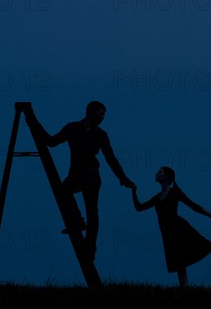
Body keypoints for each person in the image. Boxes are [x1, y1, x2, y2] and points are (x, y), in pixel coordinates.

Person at [25, 100, 135, 261]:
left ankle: (90, 248)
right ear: (90, 112)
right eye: (100, 113)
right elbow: (51, 141)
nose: (103, 117)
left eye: (104, 115)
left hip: (91, 177)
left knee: (92, 212)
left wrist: (123, 178)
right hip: (76, 175)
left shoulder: (101, 135)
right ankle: (77, 221)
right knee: (62, 191)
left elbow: (111, 159)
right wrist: (34, 123)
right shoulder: (72, 128)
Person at [131, 166, 211, 287]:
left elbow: (193, 206)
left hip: (181, 229)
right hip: (168, 234)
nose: (156, 173)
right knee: (179, 263)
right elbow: (139, 208)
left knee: (207, 245)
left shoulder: (175, 192)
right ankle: (185, 291)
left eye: (160, 172)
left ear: (166, 176)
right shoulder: (157, 198)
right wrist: (134, 192)